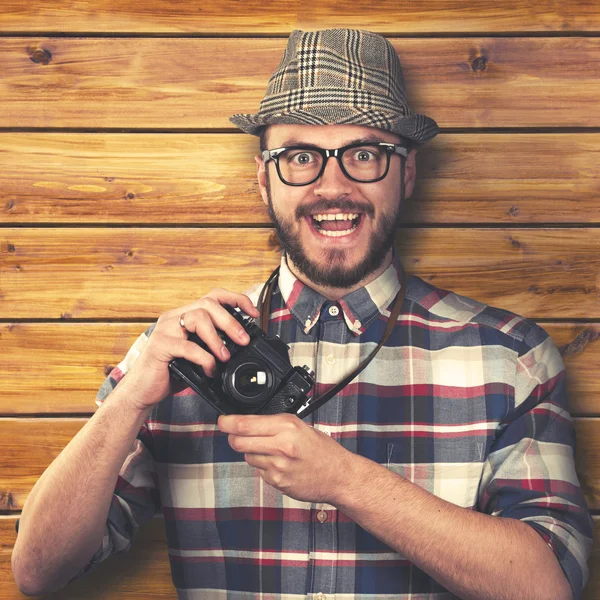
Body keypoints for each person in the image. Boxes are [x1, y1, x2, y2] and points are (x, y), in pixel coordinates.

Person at [12, 28, 592, 600]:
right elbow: (39, 570)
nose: (332, 186)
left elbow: (548, 586)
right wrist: (131, 397)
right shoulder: (187, 353)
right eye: (299, 157)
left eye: (365, 154)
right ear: (264, 179)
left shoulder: (510, 356)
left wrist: (345, 480)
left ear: (406, 173)